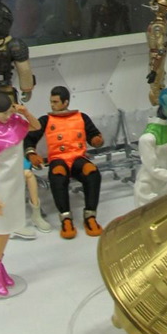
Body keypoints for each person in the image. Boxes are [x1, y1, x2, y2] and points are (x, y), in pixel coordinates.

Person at [0, 93, 41, 297]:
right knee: (1, 229)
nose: (7, 116)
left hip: (16, 183)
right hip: (1, 185)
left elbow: (36, 126)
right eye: (2, 113)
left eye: (8, 112)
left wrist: (25, 112)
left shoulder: (16, 123)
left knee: (8, 228)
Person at [24, 86, 104, 239]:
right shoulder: (46, 120)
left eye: (55, 102)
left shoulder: (81, 117)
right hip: (58, 159)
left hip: (77, 158)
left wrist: (96, 140)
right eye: (51, 101)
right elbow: (29, 138)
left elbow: (93, 134)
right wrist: (31, 153)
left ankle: (90, 216)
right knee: (57, 175)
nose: (52, 105)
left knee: (92, 172)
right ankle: (66, 218)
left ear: (65, 102)